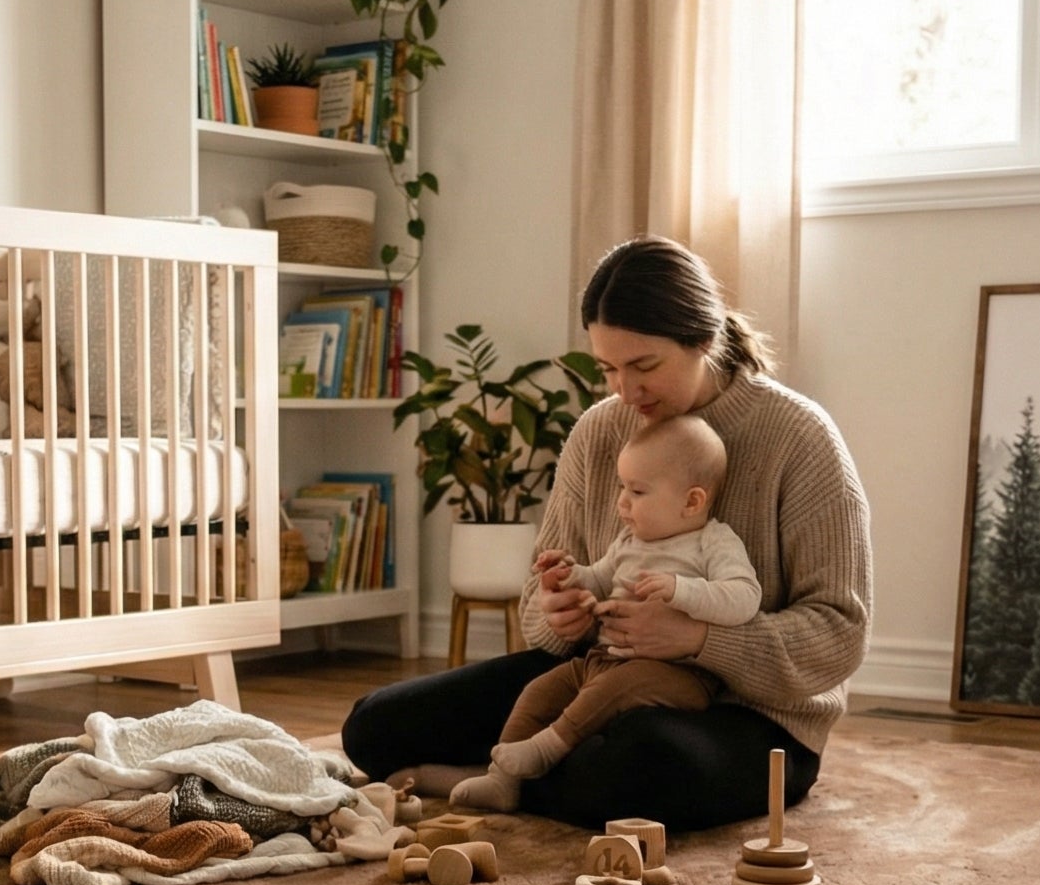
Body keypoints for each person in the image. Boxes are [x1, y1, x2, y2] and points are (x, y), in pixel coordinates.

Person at [342, 236, 872, 833]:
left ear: (703, 340)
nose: (625, 390)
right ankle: (527, 773)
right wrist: (560, 611)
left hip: (751, 715)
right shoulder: (598, 433)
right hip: (595, 674)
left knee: (635, 764)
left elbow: (839, 632)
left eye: (645, 366)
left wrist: (700, 639)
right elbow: (539, 609)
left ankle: (499, 773)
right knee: (373, 727)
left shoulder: (800, 438)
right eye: (608, 369)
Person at [447, 414, 759, 812]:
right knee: (539, 690)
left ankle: (547, 748)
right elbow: (599, 578)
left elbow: (744, 596)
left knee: (617, 690)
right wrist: (570, 576)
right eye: (621, 487)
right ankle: (502, 780)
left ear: (692, 501)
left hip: (678, 674)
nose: (622, 502)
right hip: (603, 660)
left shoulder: (712, 541)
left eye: (637, 491)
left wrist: (682, 590)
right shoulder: (630, 539)